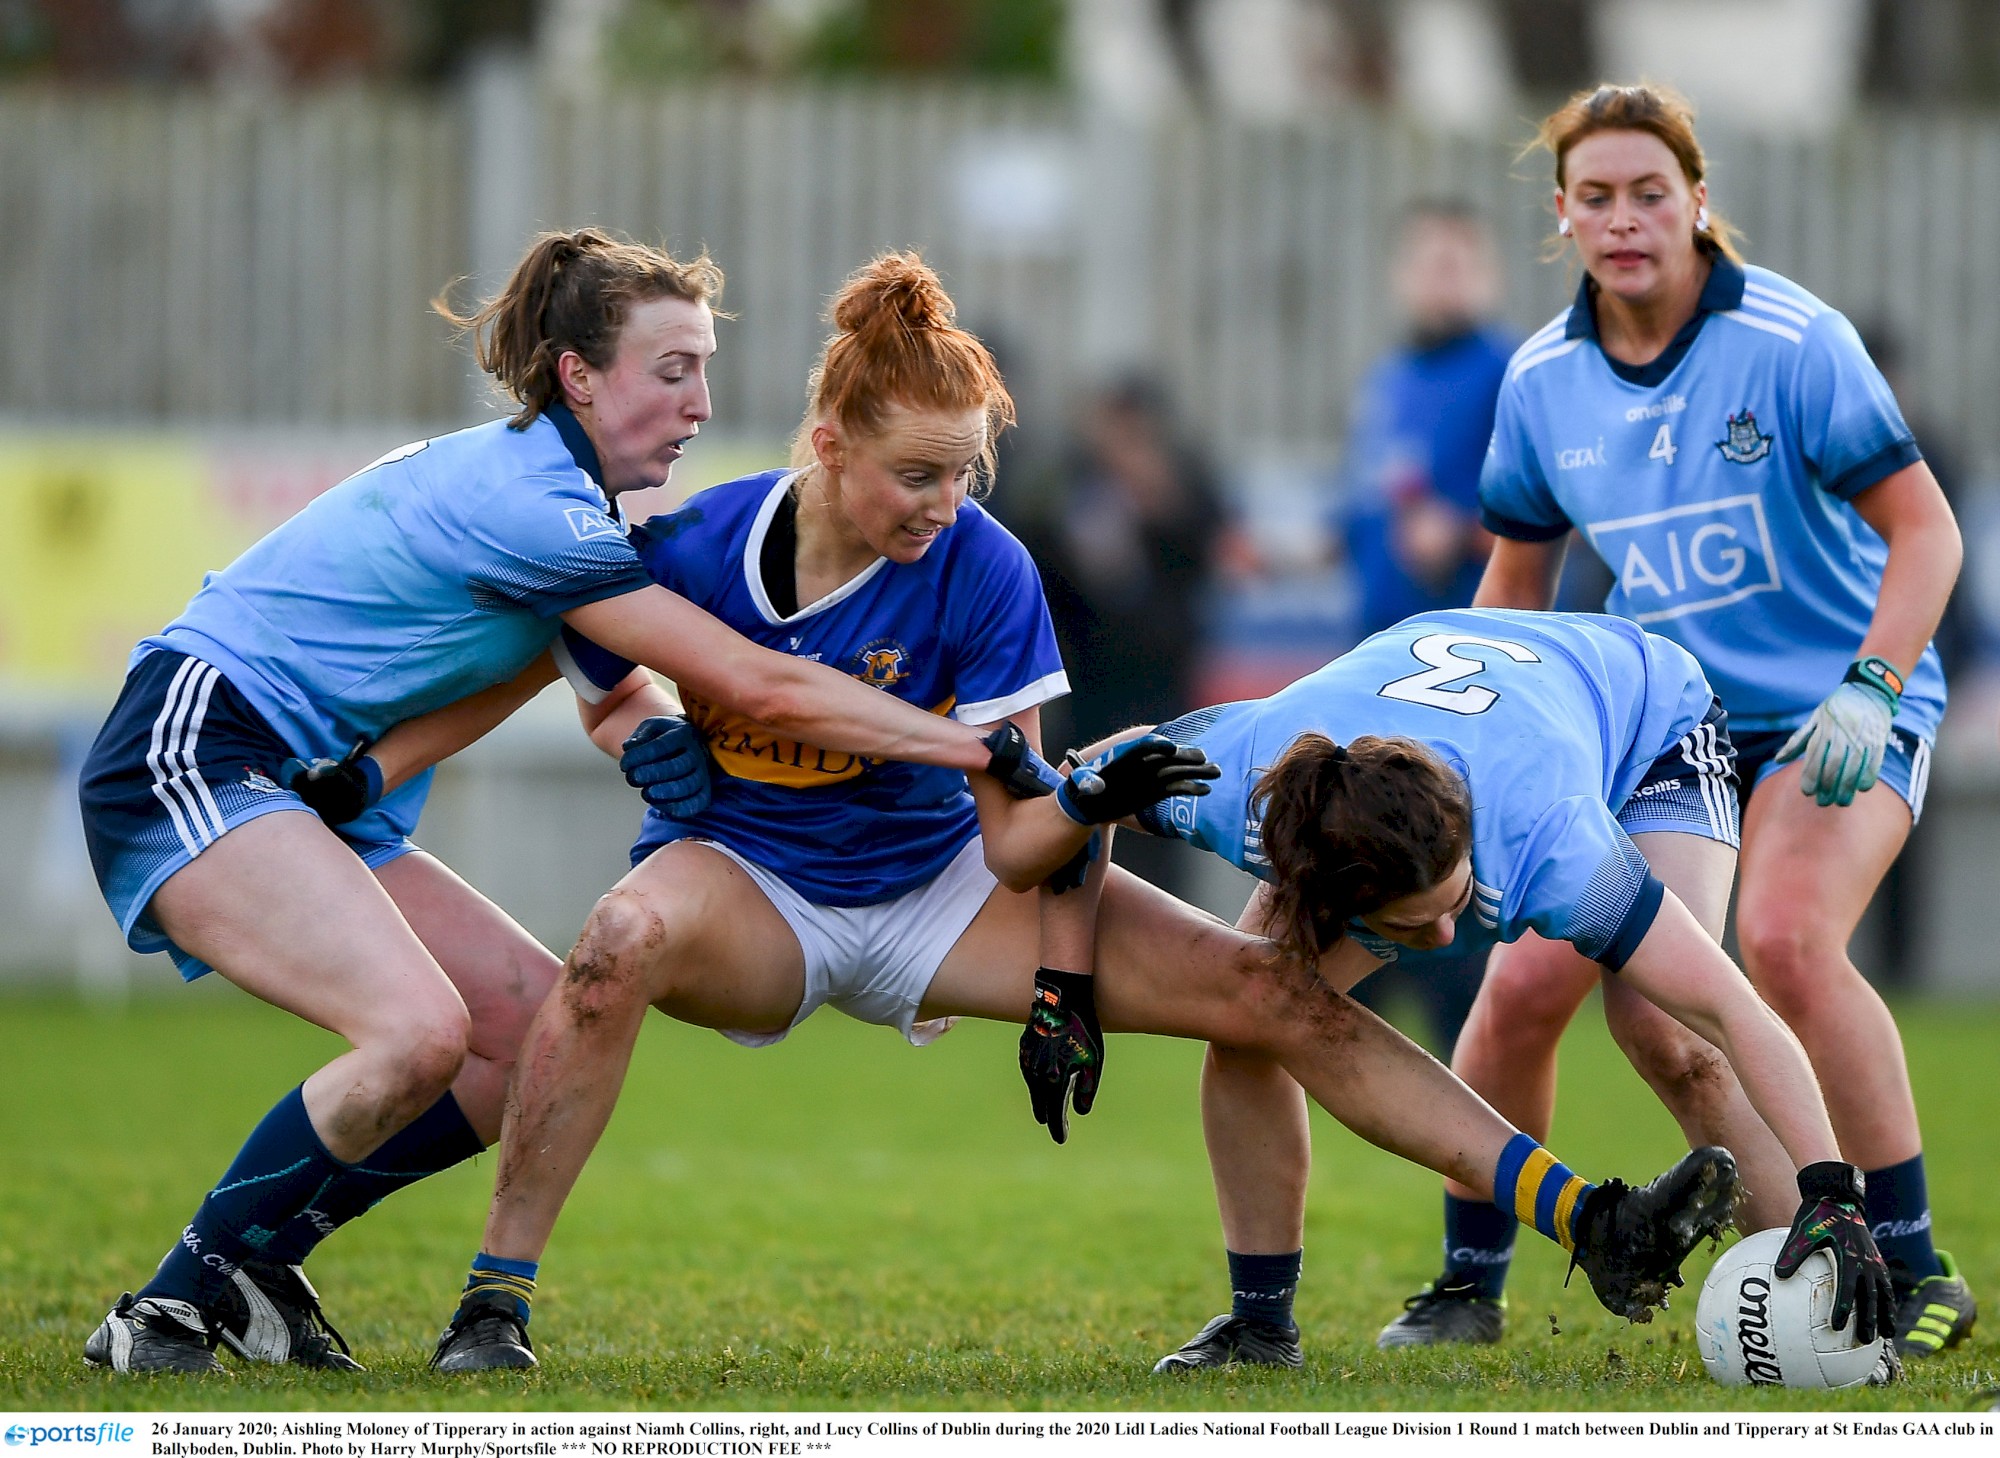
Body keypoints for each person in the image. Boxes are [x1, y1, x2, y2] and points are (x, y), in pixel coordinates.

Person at [411, 256, 1742, 1373]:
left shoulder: (987, 570)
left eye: (968, 477)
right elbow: (576, 622)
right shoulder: (695, 546)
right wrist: (636, 723)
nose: (948, 509)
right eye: (918, 476)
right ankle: (494, 1299)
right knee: (612, 942)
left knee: (1276, 993)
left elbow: (1020, 833)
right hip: (755, 887)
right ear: (826, 444)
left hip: (950, 886)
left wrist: (1059, 985)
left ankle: (1575, 1222)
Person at [74, 230, 1058, 1375]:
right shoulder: (536, 505)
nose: (699, 402)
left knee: (520, 1028)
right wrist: (979, 754)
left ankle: (260, 1260)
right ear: (578, 377)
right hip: (196, 743)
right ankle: (167, 1306)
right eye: (670, 369)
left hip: (294, 784)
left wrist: (641, 736)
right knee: (417, 1032)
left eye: (703, 367)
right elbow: (756, 682)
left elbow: (567, 670)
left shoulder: (572, 515)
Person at [1386, 82, 1974, 1359]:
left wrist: (1868, 691)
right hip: (1674, 726)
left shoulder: (1790, 341)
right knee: (1532, 972)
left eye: (1649, 192)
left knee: (1783, 939)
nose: (1624, 218)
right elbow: (1514, 594)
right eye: (1594, 197)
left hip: (1840, 706)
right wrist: (1484, 742)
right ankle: (1463, 1282)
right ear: (1561, 217)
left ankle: (1916, 1264)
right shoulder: (1541, 382)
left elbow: (1925, 534)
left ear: (1696, 202)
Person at [1056, 608, 1897, 1373]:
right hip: (1460, 710)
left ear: (1468, 845)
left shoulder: (1552, 846)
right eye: (1413, 926)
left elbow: (1730, 1006)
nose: (1447, 940)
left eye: (1456, 901)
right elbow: (1076, 784)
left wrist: (1835, 1189)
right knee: (1247, 1017)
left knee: (1671, 1036)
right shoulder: (1240, 778)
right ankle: (1260, 1327)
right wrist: (1055, 981)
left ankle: (1833, 1302)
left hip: (1652, 725)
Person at [1334, 199, 1514, 1057]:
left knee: (1442, 856)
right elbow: (1369, 510)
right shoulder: (1389, 382)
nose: (1442, 280)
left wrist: (1463, 529)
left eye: (1459, 263)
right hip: (1375, 659)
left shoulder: (1508, 373)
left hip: (1460, 663)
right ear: (1400, 276)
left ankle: (1469, 1064)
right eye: (1428, 263)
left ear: (1487, 276)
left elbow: (1551, 513)